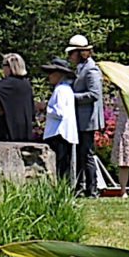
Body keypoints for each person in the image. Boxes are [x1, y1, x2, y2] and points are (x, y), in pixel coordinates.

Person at [67, 35, 104, 194]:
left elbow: (94, 94)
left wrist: (71, 97)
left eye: (72, 53)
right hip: (81, 119)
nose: (69, 57)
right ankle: (82, 186)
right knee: (81, 153)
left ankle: (92, 188)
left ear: (80, 53)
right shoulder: (81, 69)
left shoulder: (91, 70)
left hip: (88, 120)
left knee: (87, 154)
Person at [42, 59, 79, 187]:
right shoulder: (66, 89)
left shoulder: (61, 90)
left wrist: (44, 108)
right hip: (63, 133)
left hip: (58, 133)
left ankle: (61, 192)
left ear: (59, 74)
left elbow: (60, 112)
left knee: (60, 166)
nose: (49, 76)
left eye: (52, 73)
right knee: (64, 166)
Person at [0, 53, 36, 142]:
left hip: (8, 127)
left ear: (10, 67)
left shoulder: (6, 84)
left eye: (3, 65)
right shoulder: (26, 84)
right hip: (25, 127)